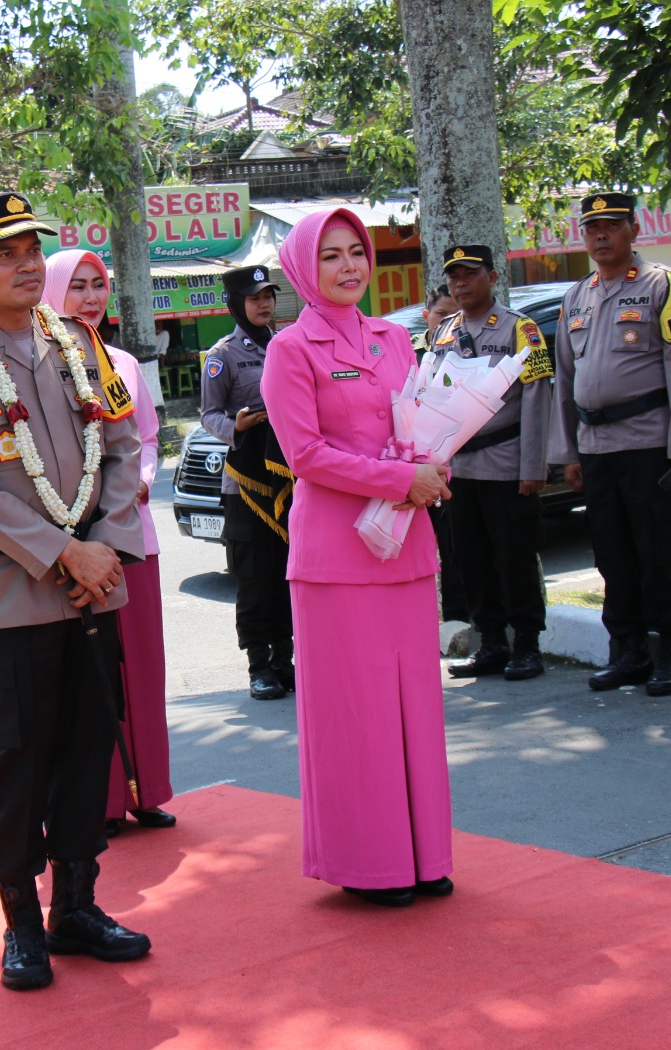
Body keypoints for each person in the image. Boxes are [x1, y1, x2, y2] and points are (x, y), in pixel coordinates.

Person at [0, 192, 150, 991]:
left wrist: (105, 547)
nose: (23, 264)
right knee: (19, 759)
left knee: (87, 750)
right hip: (13, 596)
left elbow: (122, 445)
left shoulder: (78, 344)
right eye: (3, 253)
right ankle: (20, 919)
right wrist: (64, 554)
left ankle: (76, 905)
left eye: (30, 250)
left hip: (94, 585)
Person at [261, 207, 455, 908]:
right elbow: (305, 455)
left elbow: (420, 422)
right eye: (330, 255)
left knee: (415, 704)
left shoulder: (395, 337)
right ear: (302, 269)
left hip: (405, 543)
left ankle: (423, 852)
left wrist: (436, 463)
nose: (349, 267)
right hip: (337, 554)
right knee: (357, 710)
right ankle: (368, 861)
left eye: (356, 252)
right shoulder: (290, 349)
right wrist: (402, 479)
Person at [550, 192, 671, 697]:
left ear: (633, 230)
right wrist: (568, 453)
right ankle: (628, 651)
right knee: (612, 555)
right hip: (596, 448)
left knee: (660, 551)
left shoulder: (665, 284)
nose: (600, 235)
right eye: (591, 227)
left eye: (612, 225)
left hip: (650, 444)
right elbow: (565, 378)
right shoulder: (577, 296)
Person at [42, 250, 177, 839]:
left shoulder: (121, 363)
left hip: (131, 537)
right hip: (73, 542)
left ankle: (147, 791)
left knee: (141, 667)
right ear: (51, 293)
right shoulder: (36, 364)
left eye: (98, 285)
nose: (91, 298)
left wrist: (141, 480)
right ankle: (100, 800)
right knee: (88, 674)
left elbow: (146, 439)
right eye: (77, 286)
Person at [428, 246, 554, 681]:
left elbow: (537, 398)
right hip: (459, 469)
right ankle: (493, 643)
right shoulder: (443, 332)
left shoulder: (521, 329)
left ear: (493, 277)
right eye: (454, 277)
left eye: (470, 274)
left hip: (506, 464)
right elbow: (429, 396)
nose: (461, 283)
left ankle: (528, 645)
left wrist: (533, 466)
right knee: (471, 560)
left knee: (515, 558)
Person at [200, 265, 295, 700]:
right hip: (247, 481)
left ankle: (284, 659)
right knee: (255, 576)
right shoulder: (223, 355)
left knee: (288, 571)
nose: (264, 304)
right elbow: (209, 414)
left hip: (287, 476)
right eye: (255, 297)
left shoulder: (287, 345)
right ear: (236, 303)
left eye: (268, 296)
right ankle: (259, 664)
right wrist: (234, 426)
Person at [417, 284, 466, 624]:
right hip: (416, 471)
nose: (449, 321)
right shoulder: (409, 353)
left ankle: (459, 618)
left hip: (458, 466)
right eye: (441, 315)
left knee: (456, 547)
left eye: (455, 315)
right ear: (427, 316)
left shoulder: (464, 353)